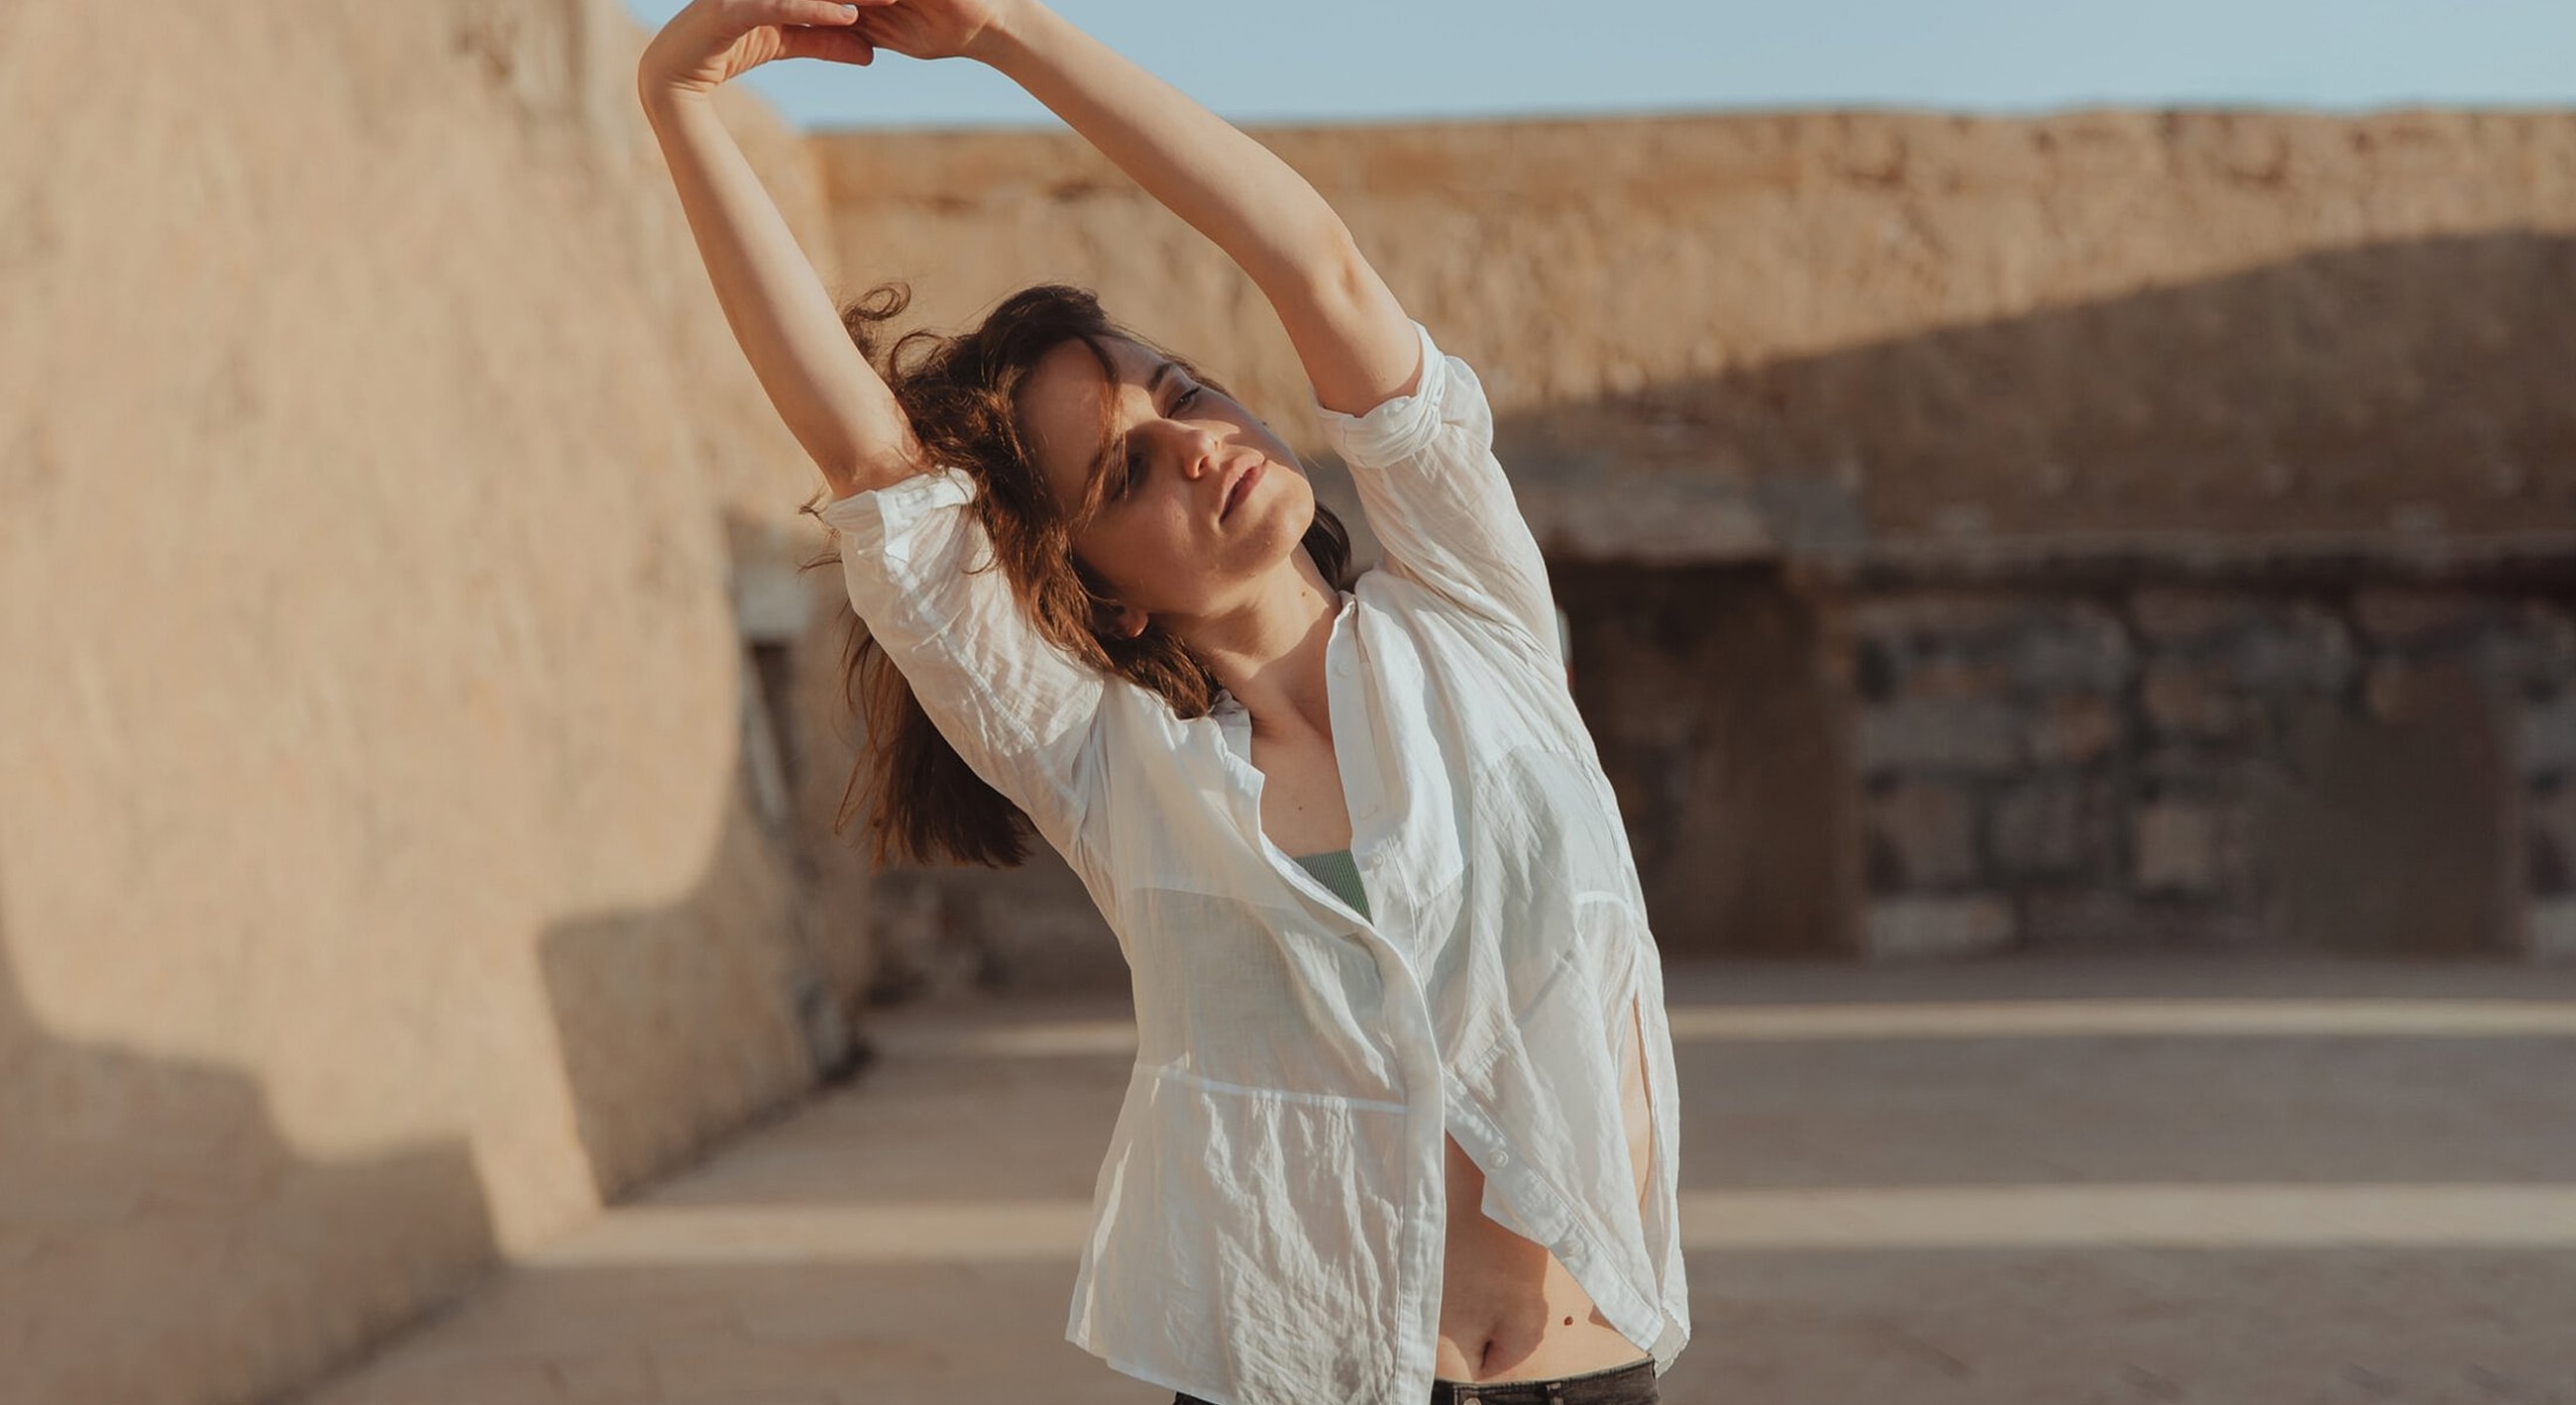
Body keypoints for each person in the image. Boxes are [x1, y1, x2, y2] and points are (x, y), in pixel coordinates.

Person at [635, 3, 1690, 1402]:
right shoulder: (1110, 765)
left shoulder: (1474, 614)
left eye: (1181, 392)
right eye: (1124, 475)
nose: (1195, 446)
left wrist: (1005, 32)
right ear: (1105, 591)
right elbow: (867, 452)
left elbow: (1308, 257)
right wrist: (680, 100)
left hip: (1595, 1368)